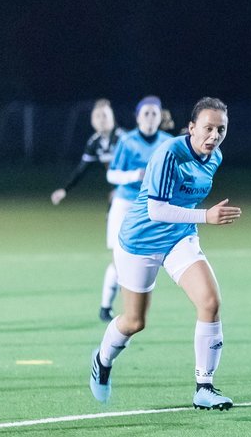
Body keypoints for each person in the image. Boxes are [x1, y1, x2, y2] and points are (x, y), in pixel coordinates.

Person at [89, 97, 242, 410]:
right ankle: (102, 361)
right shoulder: (168, 153)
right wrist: (205, 217)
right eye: (208, 128)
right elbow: (156, 210)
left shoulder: (215, 157)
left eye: (221, 129)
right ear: (191, 128)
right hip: (140, 241)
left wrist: (196, 220)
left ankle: (204, 387)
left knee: (210, 303)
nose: (214, 136)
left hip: (178, 239)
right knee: (134, 321)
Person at [50, 98, 125, 321]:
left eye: (105, 115)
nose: (102, 120)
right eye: (97, 116)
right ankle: (108, 307)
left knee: (130, 257)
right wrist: (65, 189)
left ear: (113, 118)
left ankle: (114, 306)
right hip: (118, 203)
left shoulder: (124, 139)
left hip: (132, 200)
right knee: (120, 256)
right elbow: (83, 169)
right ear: (93, 121)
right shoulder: (94, 142)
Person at [104, 95, 173, 320]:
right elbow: (111, 174)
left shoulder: (167, 142)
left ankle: (131, 309)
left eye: (155, 113)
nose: (151, 118)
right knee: (119, 257)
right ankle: (106, 306)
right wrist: (136, 175)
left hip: (150, 207)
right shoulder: (127, 141)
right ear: (137, 117)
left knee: (144, 258)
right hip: (124, 204)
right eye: (146, 113)